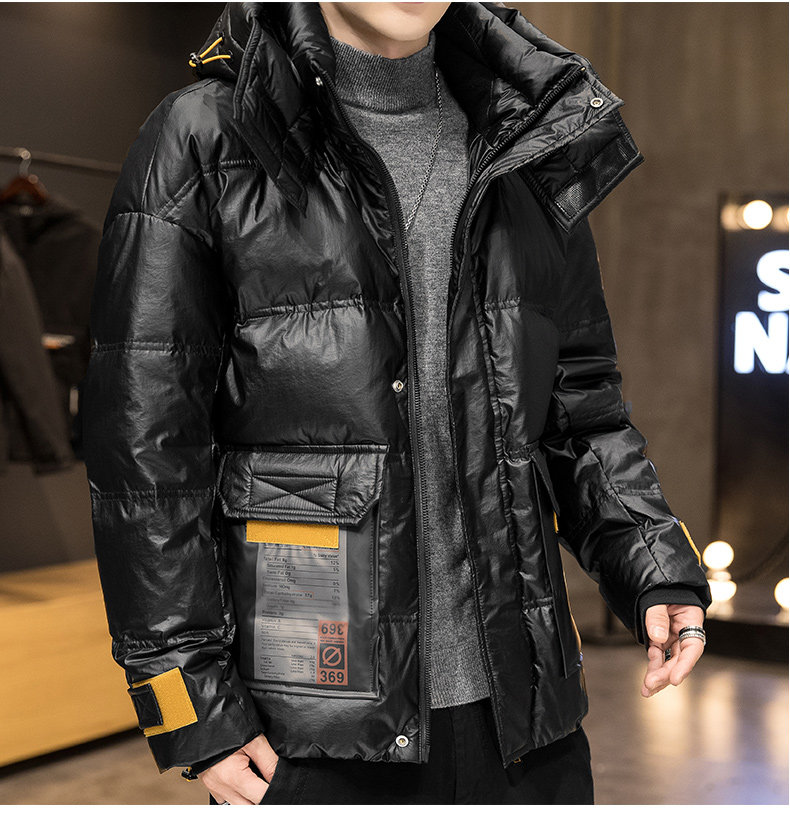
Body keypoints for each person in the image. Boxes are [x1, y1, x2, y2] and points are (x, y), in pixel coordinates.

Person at [82, 1, 712, 806]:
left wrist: (656, 568)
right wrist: (193, 705)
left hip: (526, 723)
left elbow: (580, 409)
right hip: (310, 722)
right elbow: (145, 457)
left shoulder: (525, 133)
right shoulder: (206, 136)